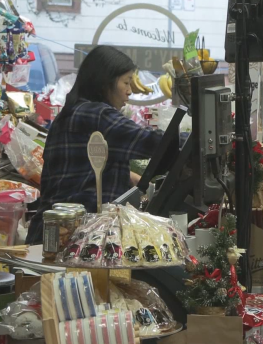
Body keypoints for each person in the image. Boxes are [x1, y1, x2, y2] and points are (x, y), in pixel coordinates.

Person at [25, 46, 163, 245]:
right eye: (126, 82)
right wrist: (194, 138)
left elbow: (84, 168)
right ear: (105, 83)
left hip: (52, 234)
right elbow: (149, 143)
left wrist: (129, 177)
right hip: (74, 236)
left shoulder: (73, 112)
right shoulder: (97, 115)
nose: (130, 91)